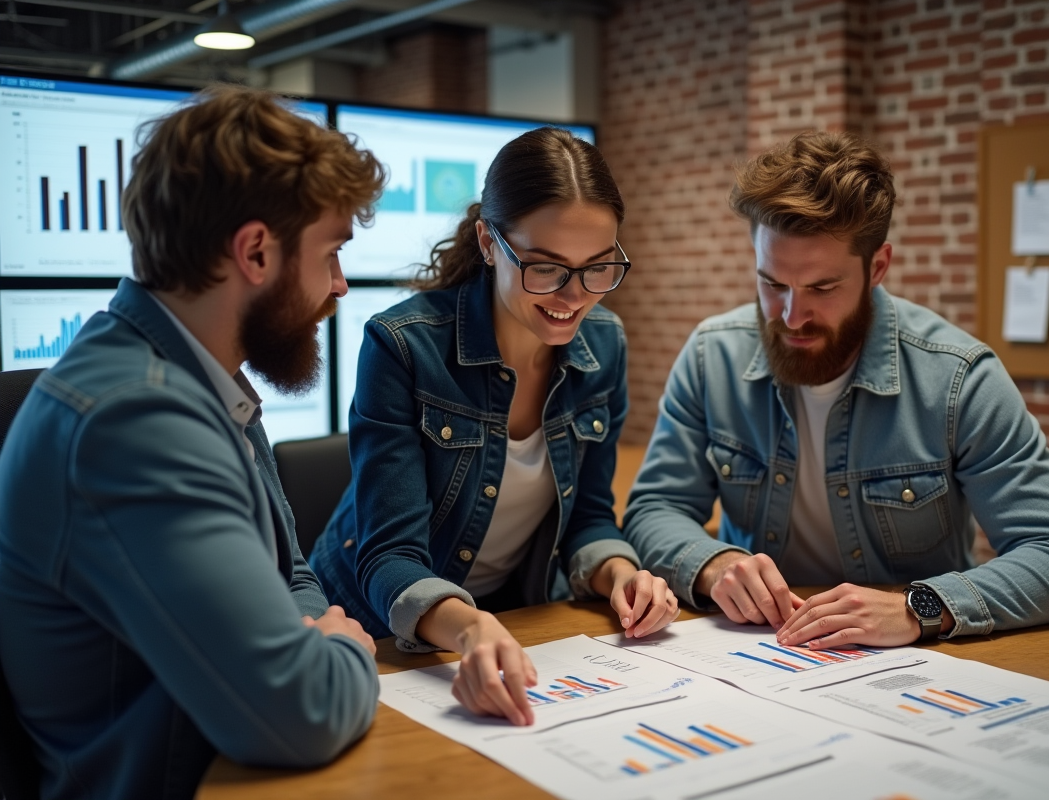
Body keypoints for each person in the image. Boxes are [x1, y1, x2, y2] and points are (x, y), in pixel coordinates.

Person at [0, 86, 387, 800]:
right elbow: (299, 711)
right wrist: (338, 644)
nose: (338, 285)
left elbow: (294, 577)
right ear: (255, 252)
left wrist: (304, 636)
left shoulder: (204, 382)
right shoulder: (134, 423)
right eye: (332, 252)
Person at [624, 130, 1049, 651]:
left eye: (822, 288)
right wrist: (714, 566)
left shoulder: (958, 377)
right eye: (772, 283)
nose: (791, 316)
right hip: (757, 657)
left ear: (877, 267)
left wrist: (918, 608)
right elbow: (654, 509)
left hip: (914, 670)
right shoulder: (710, 358)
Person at [309, 127, 678, 727]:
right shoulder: (402, 346)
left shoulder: (603, 343)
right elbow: (388, 556)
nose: (574, 296)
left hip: (511, 621)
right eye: (546, 268)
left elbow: (588, 517)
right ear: (488, 241)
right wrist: (471, 626)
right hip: (374, 633)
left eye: (597, 268)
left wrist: (622, 574)